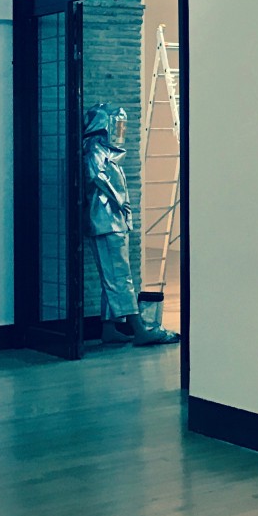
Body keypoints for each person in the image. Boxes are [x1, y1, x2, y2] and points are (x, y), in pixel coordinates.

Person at [84, 104, 179, 346]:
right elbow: (96, 176)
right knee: (120, 276)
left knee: (114, 276)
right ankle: (139, 328)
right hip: (106, 221)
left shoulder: (107, 150)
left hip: (114, 221)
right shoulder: (94, 147)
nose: (120, 130)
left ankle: (109, 328)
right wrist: (118, 200)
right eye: (116, 124)